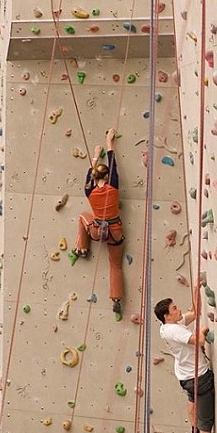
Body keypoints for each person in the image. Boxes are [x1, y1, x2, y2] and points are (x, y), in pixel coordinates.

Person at [154, 284, 215, 433]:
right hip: (199, 377)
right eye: (174, 309)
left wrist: (197, 291)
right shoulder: (175, 331)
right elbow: (199, 341)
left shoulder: (168, 327)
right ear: (167, 316)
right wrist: (204, 331)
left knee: (192, 402)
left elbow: (194, 312)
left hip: (186, 376)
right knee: (207, 424)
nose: (178, 309)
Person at [70, 128, 125, 315]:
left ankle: (82, 248)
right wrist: (109, 142)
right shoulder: (113, 186)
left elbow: (89, 177)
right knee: (115, 265)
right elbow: (113, 164)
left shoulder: (89, 191)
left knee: (82, 217)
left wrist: (94, 155)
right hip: (114, 231)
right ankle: (116, 299)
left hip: (96, 231)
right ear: (107, 176)